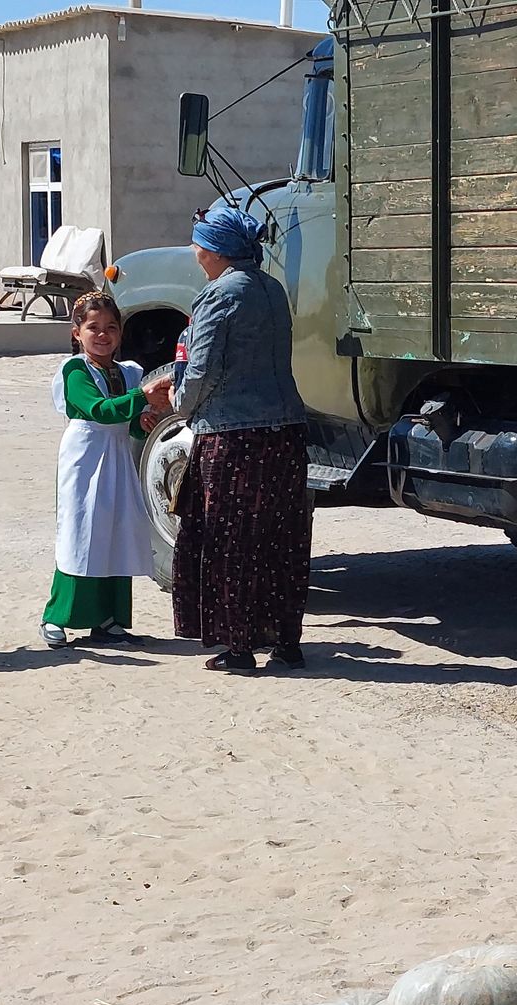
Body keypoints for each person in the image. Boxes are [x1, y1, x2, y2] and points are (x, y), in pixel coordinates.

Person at [170, 206, 310, 674]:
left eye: (198, 245)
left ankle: (239, 646)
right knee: (280, 538)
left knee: (232, 541)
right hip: (285, 431)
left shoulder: (219, 294)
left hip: (234, 438)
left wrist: (179, 402)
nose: (194, 252)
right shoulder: (271, 289)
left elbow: (202, 367)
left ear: (213, 251)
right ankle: (286, 641)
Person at [41, 292, 172, 648]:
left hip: (115, 454)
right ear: (76, 333)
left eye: (111, 328)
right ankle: (58, 616)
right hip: (86, 455)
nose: (102, 335)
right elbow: (97, 410)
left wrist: (141, 420)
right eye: (93, 328)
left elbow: (124, 419)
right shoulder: (75, 370)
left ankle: (108, 618)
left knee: (117, 526)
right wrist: (142, 397)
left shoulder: (125, 371)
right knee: (81, 530)